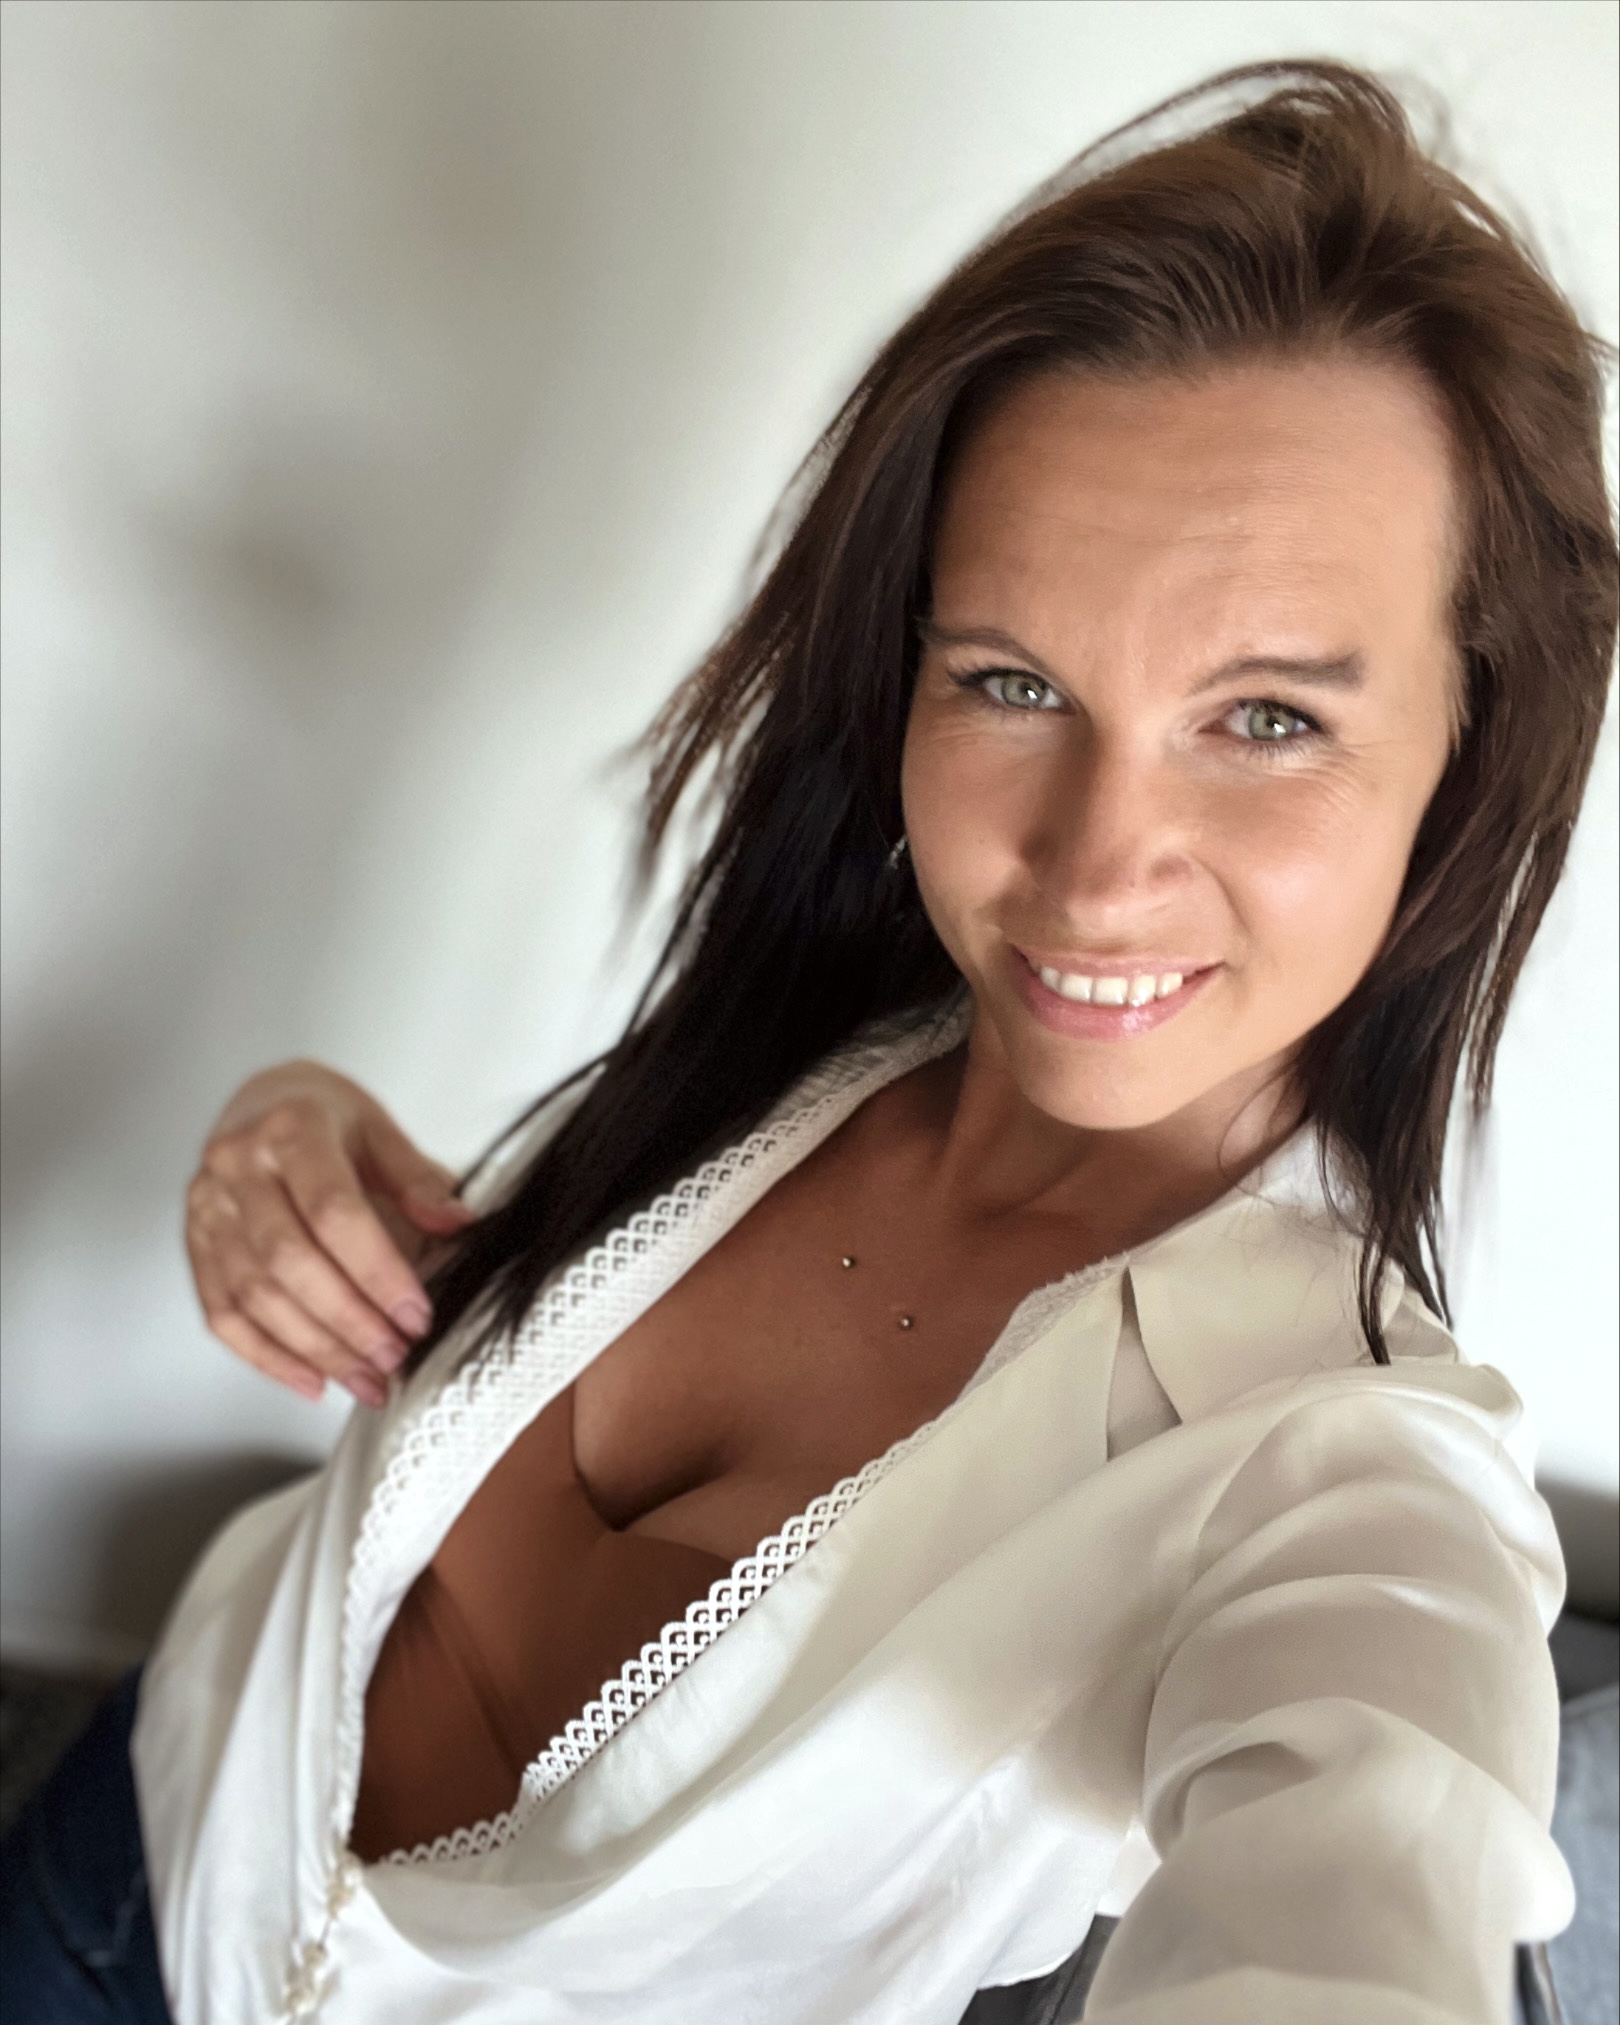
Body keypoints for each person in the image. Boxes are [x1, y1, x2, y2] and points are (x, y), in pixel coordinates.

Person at [2, 58, 1613, 2025]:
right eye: (1012, 681)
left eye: (1268, 716)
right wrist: (292, 1134)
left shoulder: (1340, 1474)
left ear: (1469, 753)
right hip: (139, 1832)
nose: (1092, 865)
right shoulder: (804, 1034)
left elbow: (1366, 1883)